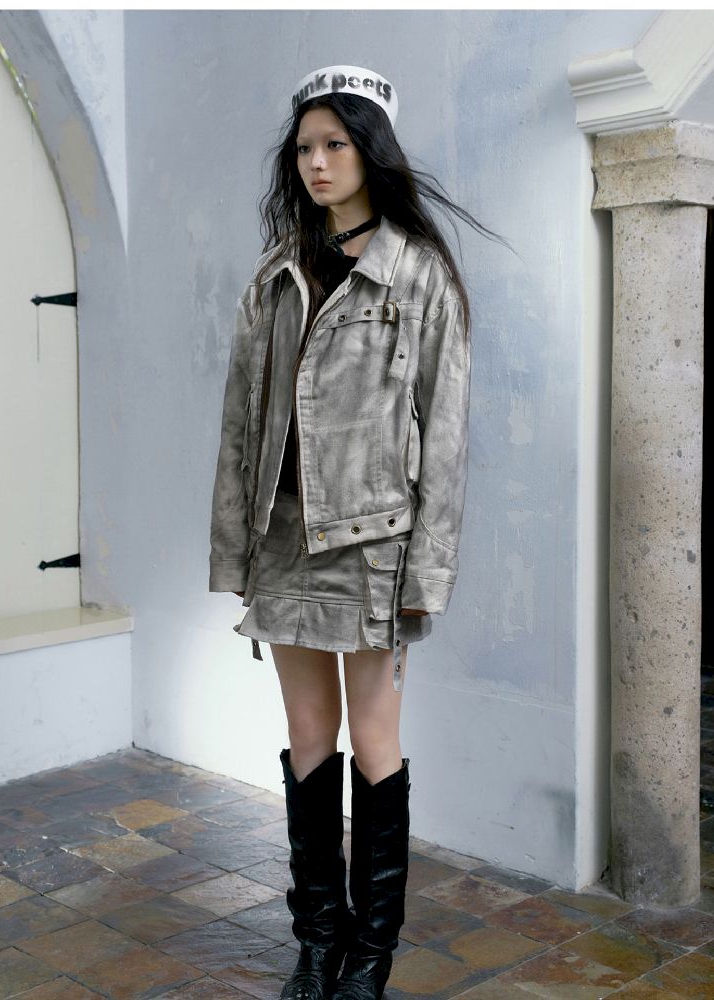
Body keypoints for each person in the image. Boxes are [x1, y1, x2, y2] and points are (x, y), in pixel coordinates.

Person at [209, 64, 503, 1000]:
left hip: (374, 548)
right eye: (304, 148)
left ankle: (370, 956)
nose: (317, 162)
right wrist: (235, 547)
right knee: (307, 736)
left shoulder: (418, 274)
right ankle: (317, 942)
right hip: (283, 538)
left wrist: (427, 572)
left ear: (372, 150)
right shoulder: (276, 273)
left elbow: (445, 436)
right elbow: (241, 422)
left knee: (376, 744)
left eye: (335, 143)